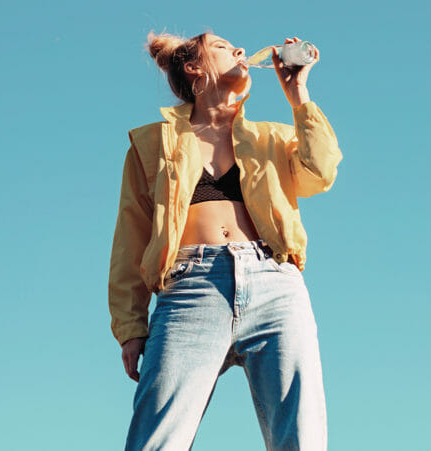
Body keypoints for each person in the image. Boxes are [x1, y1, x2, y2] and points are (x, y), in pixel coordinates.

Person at [108, 29, 342, 450]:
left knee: (301, 437)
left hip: (275, 285)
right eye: (221, 47)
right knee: (156, 440)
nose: (238, 50)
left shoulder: (270, 137)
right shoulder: (153, 143)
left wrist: (298, 95)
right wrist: (130, 325)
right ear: (194, 68)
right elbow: (131, 234)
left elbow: (320, 172)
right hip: (189, 290)